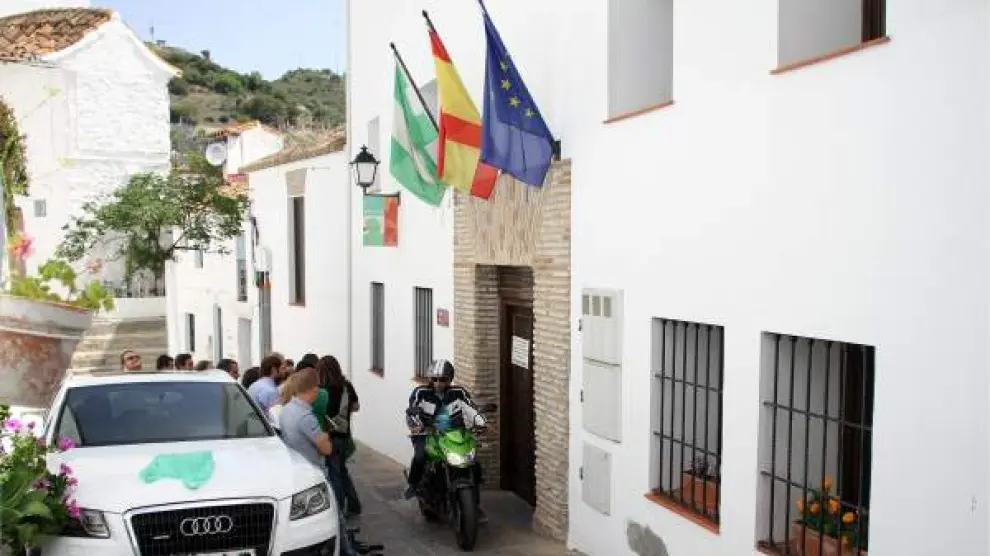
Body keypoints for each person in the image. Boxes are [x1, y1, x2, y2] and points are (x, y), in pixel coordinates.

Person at [277, 367, 359, 556]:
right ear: (313, 389)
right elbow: (327, 449)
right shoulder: (306, 417)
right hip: (314, 470)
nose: (319, 392)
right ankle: (345, 551)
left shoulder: (287, 409)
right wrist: (325, 435)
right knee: (334, 516)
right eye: (317, 388)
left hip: (297, 468)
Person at [403, 358, 486, 522]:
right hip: (427, 433)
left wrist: (480, 421)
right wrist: (417, 423)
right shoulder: (421, 392)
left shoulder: (459, 392)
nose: (438, 383)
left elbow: (471, 407)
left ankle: (474, 505)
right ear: (430, 379)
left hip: (454, 434)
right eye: (434, 379)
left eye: (443, 379)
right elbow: (413, 409)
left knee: (473, 462)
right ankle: (413, 484)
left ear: (450, 379)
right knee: (420, 456)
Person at [316, 355, 361, 516]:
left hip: (330, 436)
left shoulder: (323, 391)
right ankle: (354, 505)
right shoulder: (346, 386)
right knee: (341, 470)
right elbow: (356, 406)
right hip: (344, 434)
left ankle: (339, 509)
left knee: (334, 473)